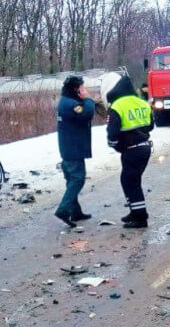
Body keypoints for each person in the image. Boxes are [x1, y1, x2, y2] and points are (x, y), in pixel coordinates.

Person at [106, 74, 154, 228]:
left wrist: (116, 145)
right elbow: (151, 125)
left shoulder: (117, 105)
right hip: (145, 147)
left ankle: (140, 218)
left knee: (129, 182)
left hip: (131, 150)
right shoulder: (142, 102)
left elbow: (112, 133)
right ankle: (136, 211)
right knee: (132, 181)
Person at [55, 75, 96, 227]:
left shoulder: (66, 101)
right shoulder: (70, 104)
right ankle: (63, 209)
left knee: (71, 179)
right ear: (75, 89)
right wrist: (88, 99)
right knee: (78, 178)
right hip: (73, 148)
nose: (83, 90)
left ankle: (75, 212)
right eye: (81, 88)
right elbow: (87, 114)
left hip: (69, 147)